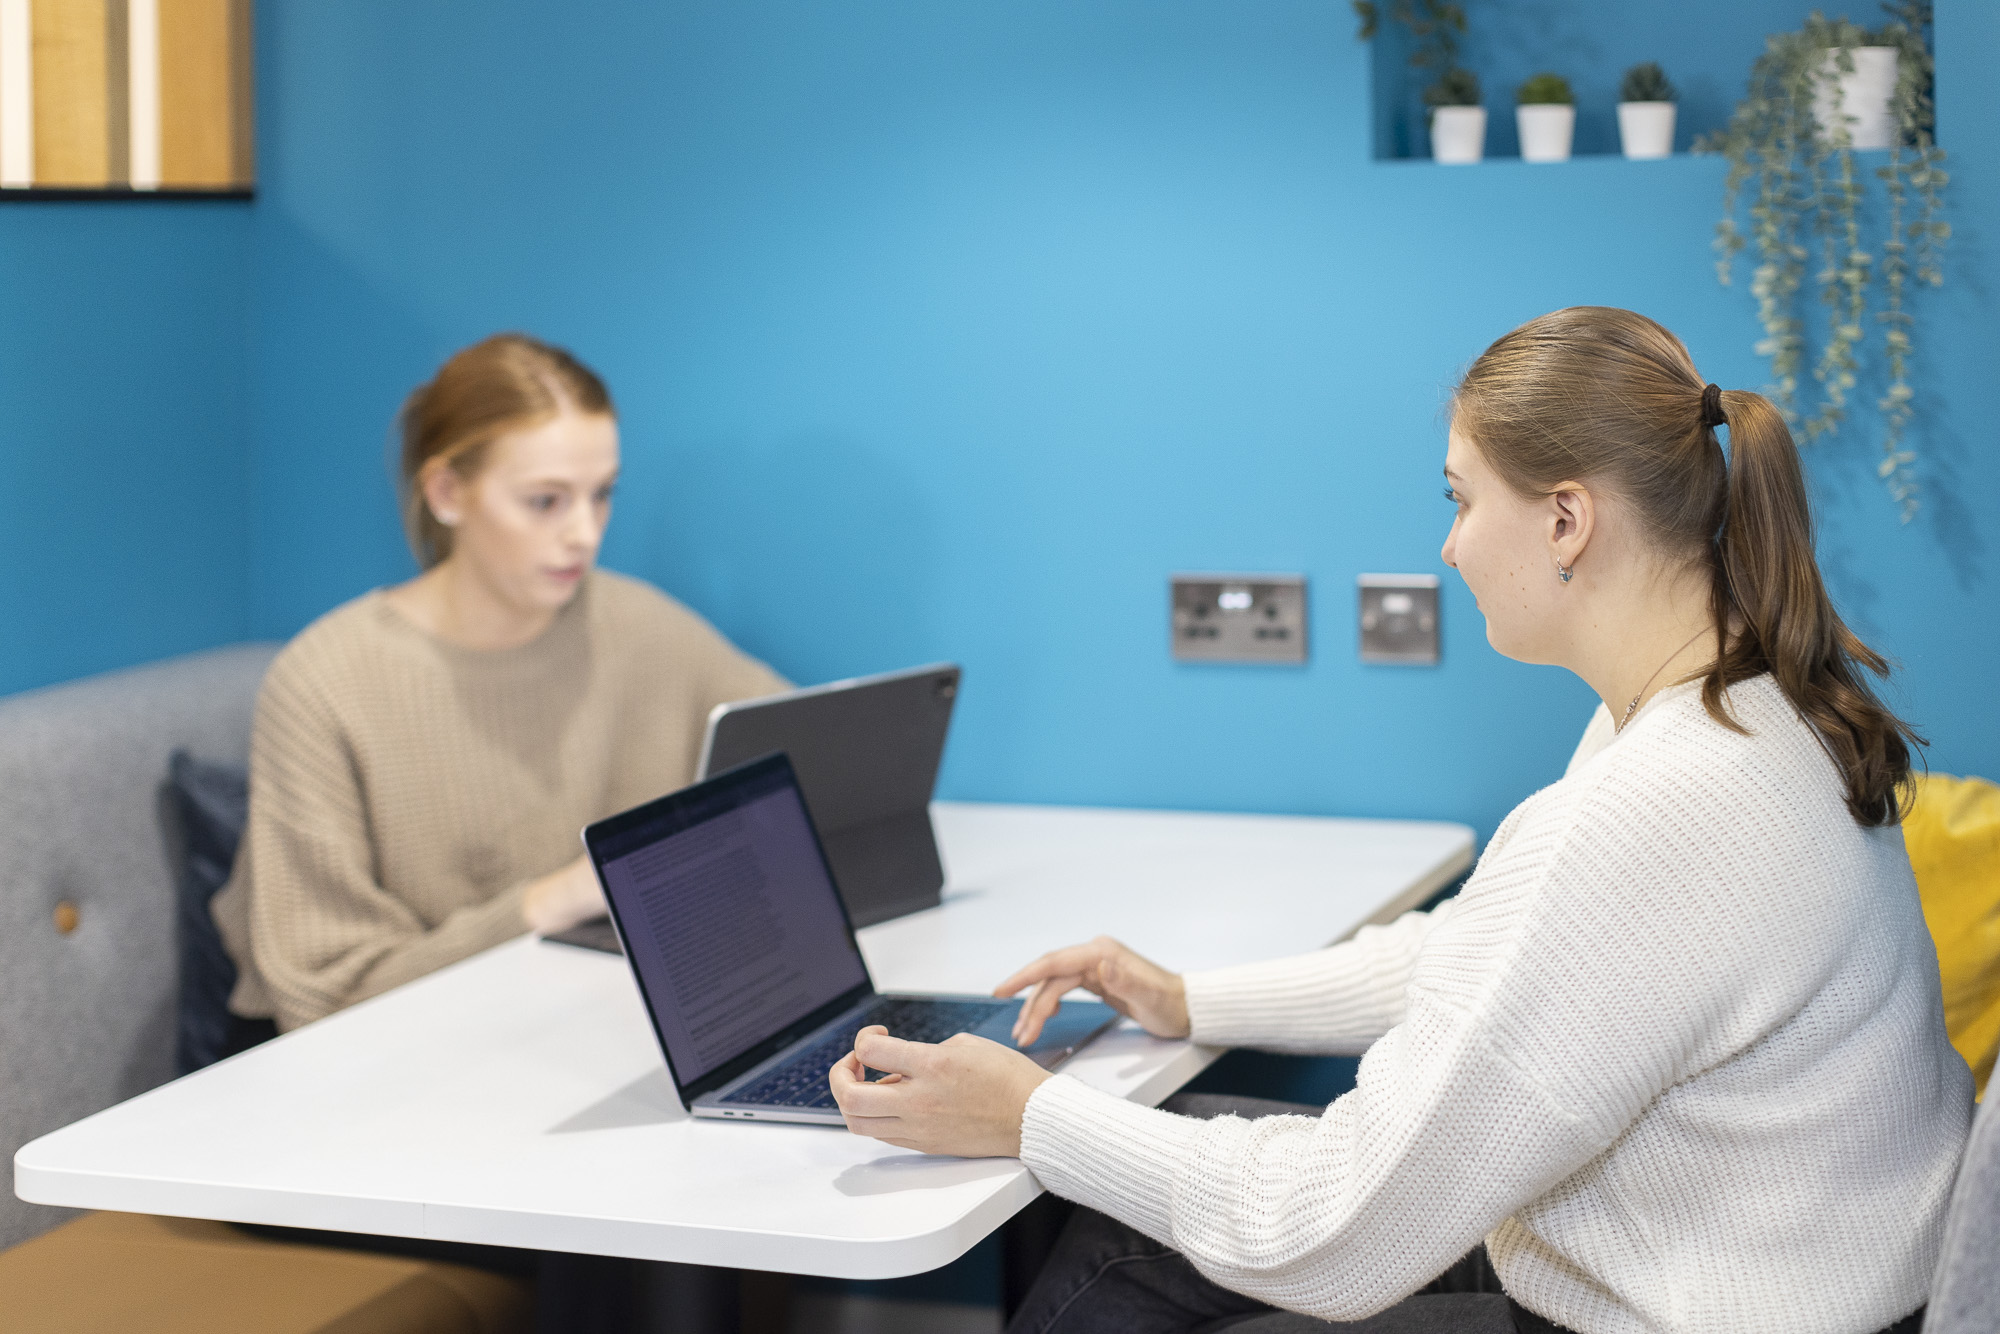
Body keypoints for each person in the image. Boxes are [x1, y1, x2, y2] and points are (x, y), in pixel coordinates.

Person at [828, 308, 1973, 1334]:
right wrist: (1189, 999)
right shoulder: (1726, 701)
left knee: (1130, 1211)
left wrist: (1033, 1112)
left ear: (1566, 517)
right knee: (1120, 1233)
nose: (1448, 544)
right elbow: (1497, 958)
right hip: (1788, 1277)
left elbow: (1328, 1232)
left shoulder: (1660, 805)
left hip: (1693, 1303)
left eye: (1460, 498)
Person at [213, 332, 787, 1034]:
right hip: (383, 1070)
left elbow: (804, 743)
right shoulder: (324, 684)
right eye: (545, 501)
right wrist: (549, 901)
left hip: (570, 1032)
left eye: (601, 495)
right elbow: (324, 1000)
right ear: (447, 492)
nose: (584, 533)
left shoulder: (637, 624)